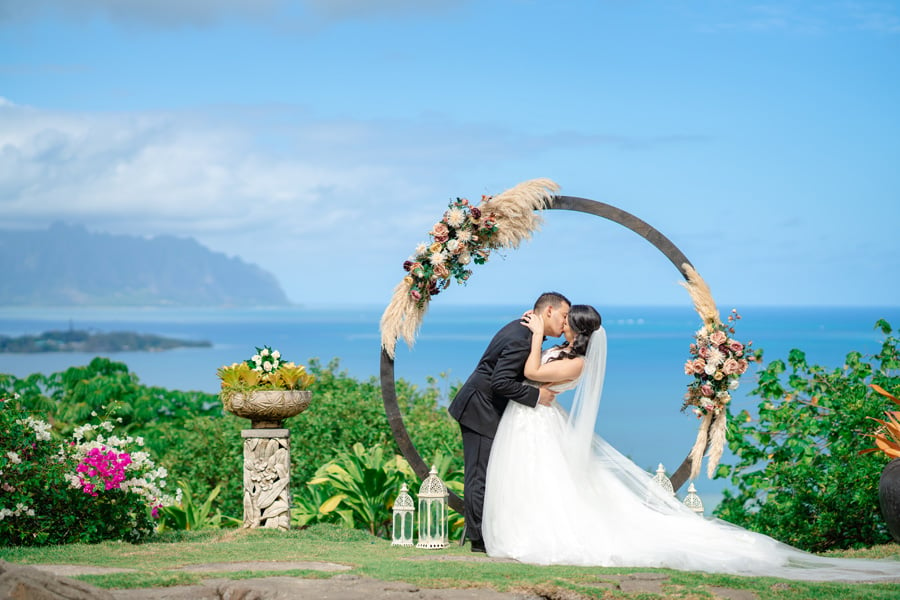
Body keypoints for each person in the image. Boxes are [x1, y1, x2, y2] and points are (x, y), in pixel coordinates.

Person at [482, 306, 900, 582]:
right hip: (531, 422)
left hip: (539, 422)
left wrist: (536, 334)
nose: (560, 324)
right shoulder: (568, 350)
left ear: (577, 330)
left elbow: (533, 372)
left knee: (546, 480)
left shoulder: (575, 360)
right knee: (535, 481)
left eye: (566, 321)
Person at [448, 291, 571, 553]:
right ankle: (480, 541)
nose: (565, 322)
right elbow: (500, 382)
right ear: (548, 311)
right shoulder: (522, 338)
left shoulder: (525, 331)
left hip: (486, 408)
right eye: (564, 315)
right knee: (480, 476)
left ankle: (489, 536)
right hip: (480, 410)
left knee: (490, 474)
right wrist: (537, 395)